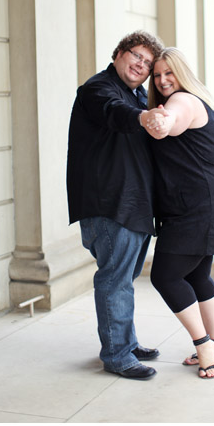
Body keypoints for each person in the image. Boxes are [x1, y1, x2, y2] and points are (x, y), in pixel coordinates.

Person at [67, 30, 167, 380]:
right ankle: (117, 355)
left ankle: (126, 341)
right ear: (119, 54)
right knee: (115, 281)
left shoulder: (138, 94)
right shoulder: (98, 89)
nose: (141, 64)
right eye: (135, 55)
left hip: (133, 204)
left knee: (123, 279)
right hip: (109, 204)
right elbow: (115, 113)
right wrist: (143, 117)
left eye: (147, 62)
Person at [143, 47, 214, 379]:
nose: (162, 80)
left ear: (182, 73)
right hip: (209, 198)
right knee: (197, 276)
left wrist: (160, 122)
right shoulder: (201, 101)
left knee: (165, 276)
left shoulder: (182, 101)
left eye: (169, 73)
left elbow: (172, 121)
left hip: (200, 203)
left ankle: (205, 347)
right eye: (157, 75)